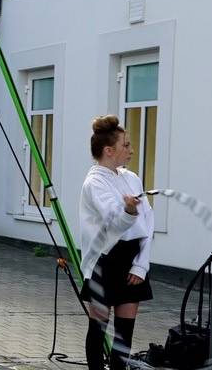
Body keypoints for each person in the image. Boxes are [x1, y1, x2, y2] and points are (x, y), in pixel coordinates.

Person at [79, 115, 154, 370]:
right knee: (98, 329)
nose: (131, 150)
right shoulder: (94, 182)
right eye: (126, 145)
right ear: (109, 151)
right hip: (104, 261)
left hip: (131, 260)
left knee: (125, 334)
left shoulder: (131, 178)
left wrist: (141, 265)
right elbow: (114, 224)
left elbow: (148, 223)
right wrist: (129, 212)